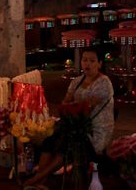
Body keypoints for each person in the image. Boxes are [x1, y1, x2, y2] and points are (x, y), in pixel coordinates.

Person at [24, 48, 114, 187]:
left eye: (92, 61)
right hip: (74, 125)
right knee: (50, 140)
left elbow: (88, 107)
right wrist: (71, 107)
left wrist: (72, 107)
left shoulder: (104, 83)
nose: (87, 64)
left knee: (66, 145)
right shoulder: (76, 81)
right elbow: (65, 102)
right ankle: (40, 181)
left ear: (100, 64)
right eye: (84, 60)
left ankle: (36, 179)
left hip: (94, 130)